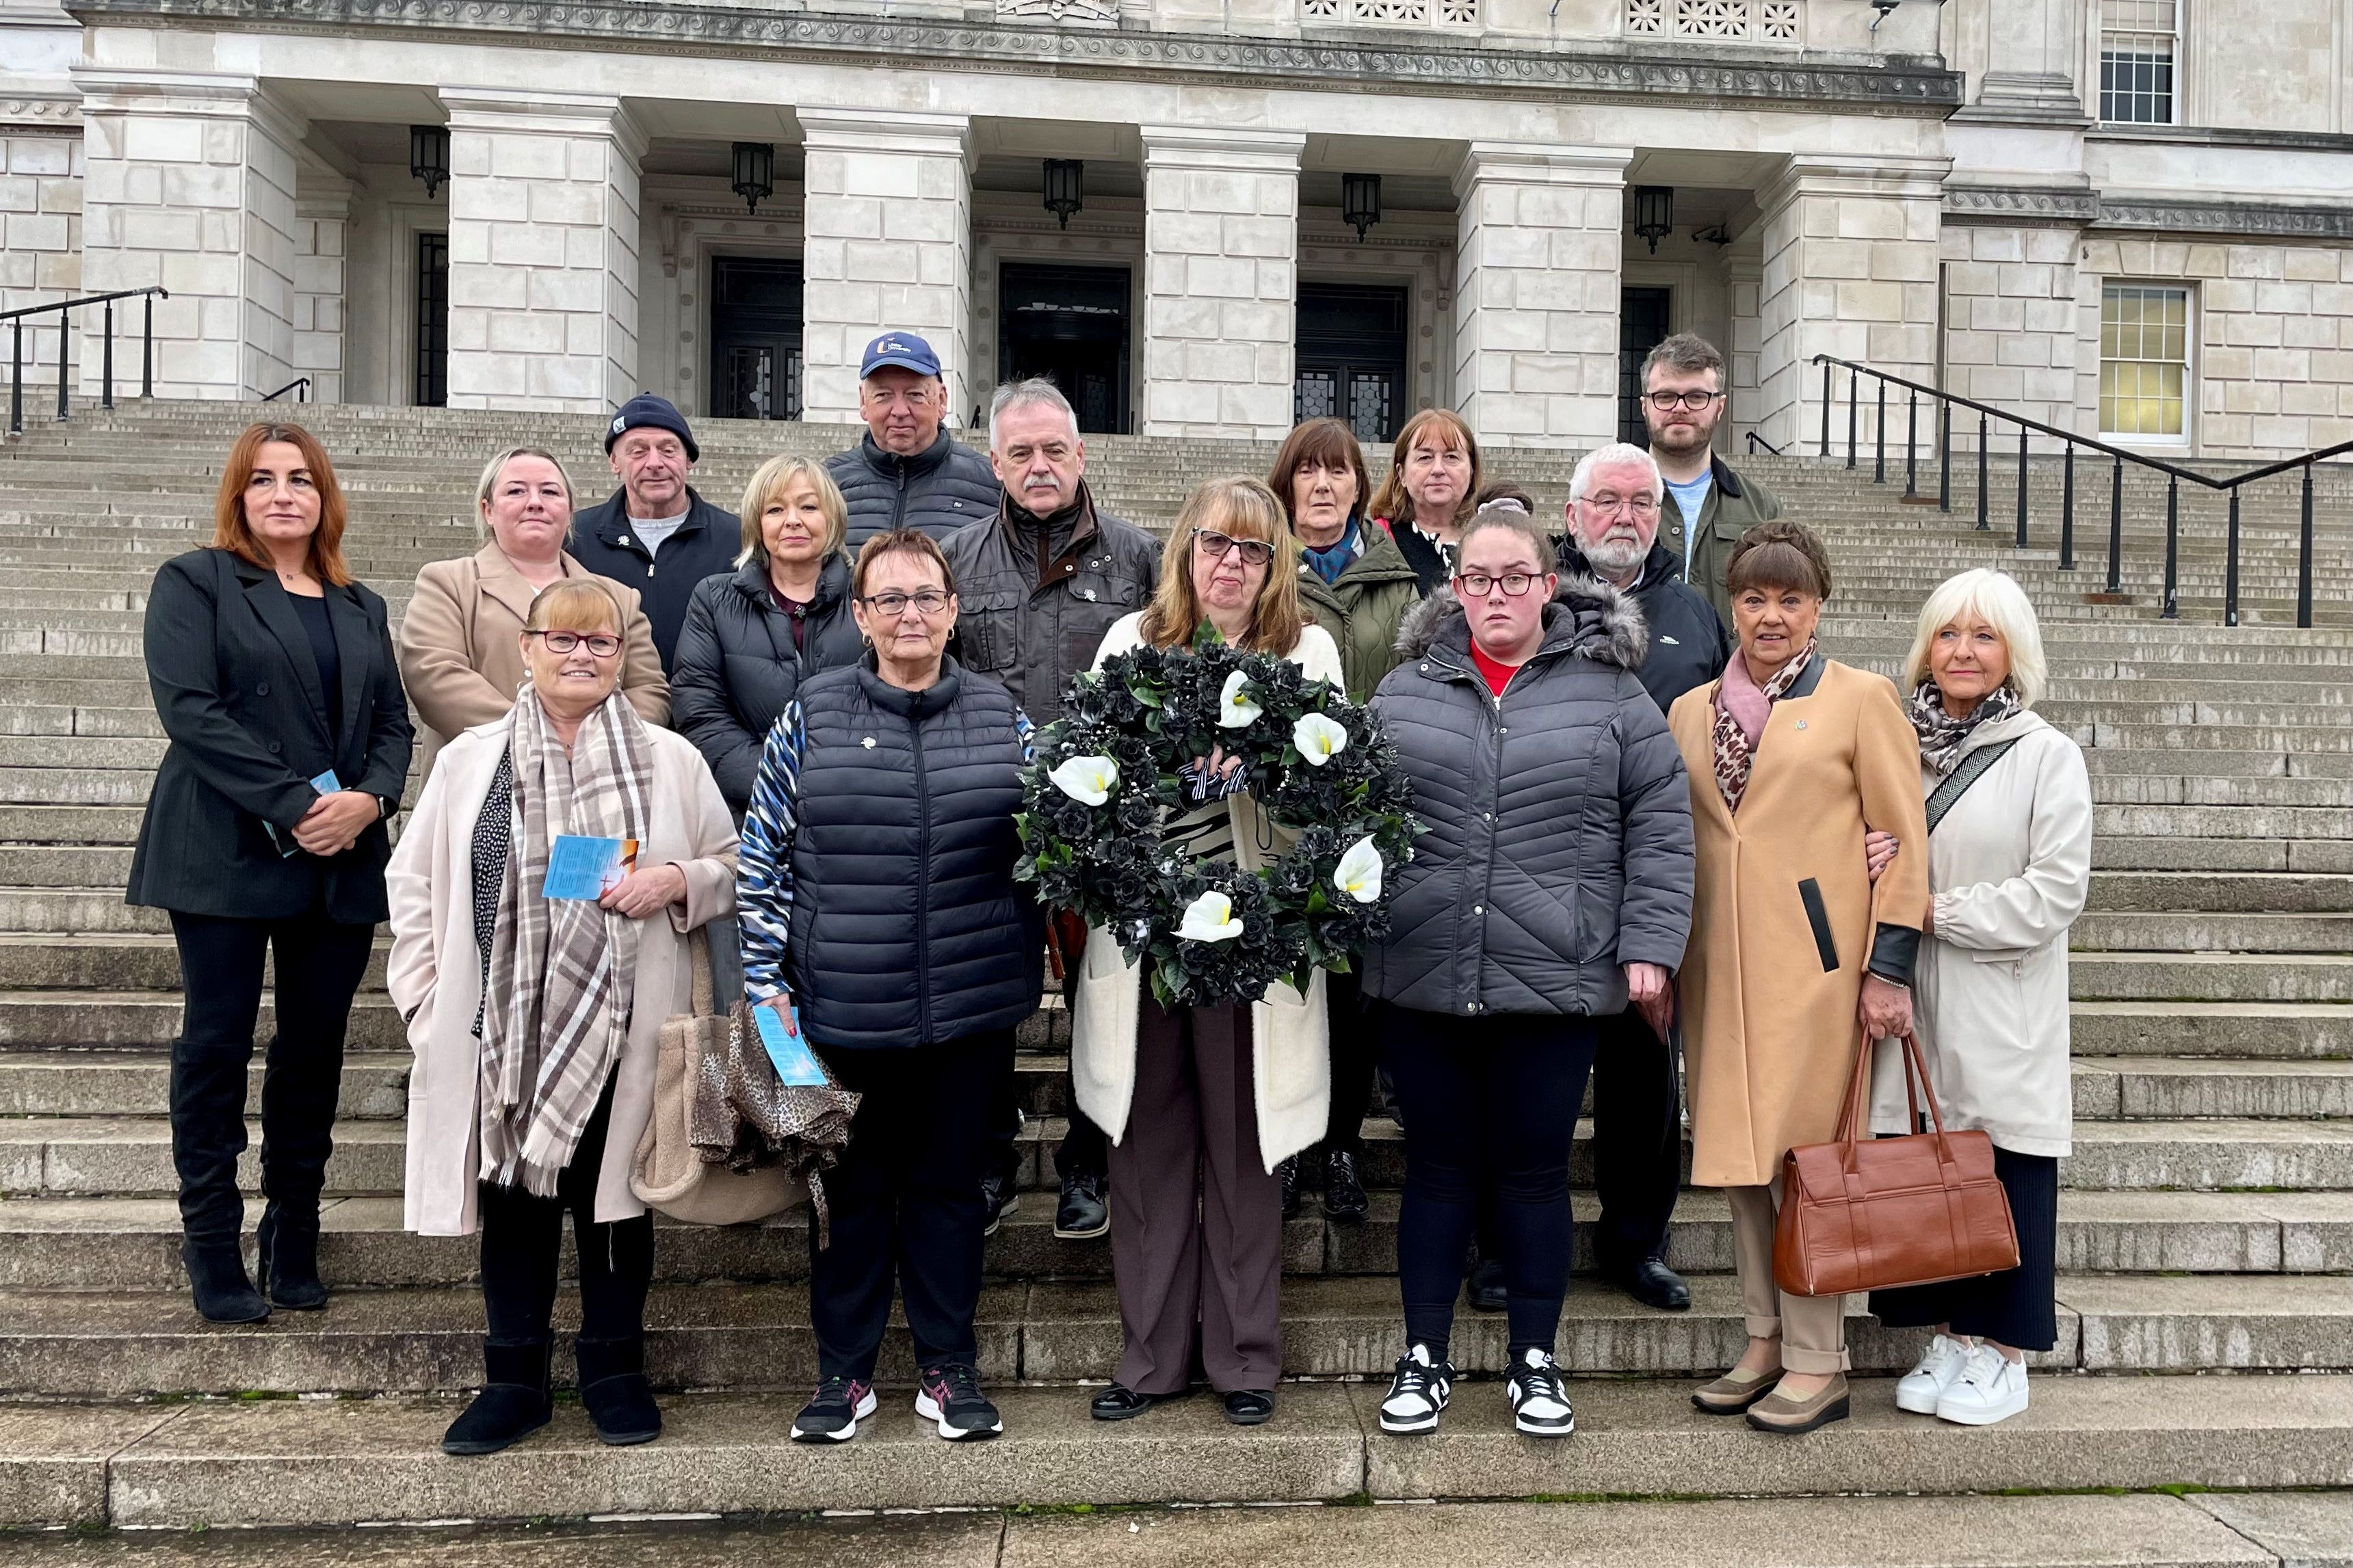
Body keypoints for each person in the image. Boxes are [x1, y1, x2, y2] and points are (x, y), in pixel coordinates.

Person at [1363, 503, 1694, 1439]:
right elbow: (1354, 815)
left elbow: (1663, 831)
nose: (1497, 594)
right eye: (1479, 578)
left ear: (1552, 586)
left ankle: (1533, 1359)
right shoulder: (1404, 690)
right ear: (1454, 587)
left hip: (1555, 979)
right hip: (1423, 972)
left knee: (1535, 1175)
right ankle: (1423, 1355)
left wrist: (1649, 946)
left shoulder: (1614, 695)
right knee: (1435, 1173)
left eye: (1517, 577)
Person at [387, 579, 739, 1458]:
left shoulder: (670, 757)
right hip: (504, 1028)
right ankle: (513, 1381)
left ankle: (614, 1371)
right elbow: (416, 883)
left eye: (602, 643)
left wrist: (677, 881)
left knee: (614, 1204)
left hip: (629, 1020)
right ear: (528, 648)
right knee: (515, 1200)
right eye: (563, 640)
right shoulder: (472, 758)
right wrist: (427, 999)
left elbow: (730, 861)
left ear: (622, 658)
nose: (582, 656)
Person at [739, 530, 1043, 1446]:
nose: (911, 613)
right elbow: (762, 852)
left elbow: (1051, 843)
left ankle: (949, 1370)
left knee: (952, 1193)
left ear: (954, 611)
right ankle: (846, 1374)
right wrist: (763, 978)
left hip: (970, 1004)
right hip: (841, 1006)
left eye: (928, 597)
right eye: (891, 599)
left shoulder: (1004, 716)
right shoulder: (813, 714)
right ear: (861, 615)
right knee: (852, 1196)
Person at [1072, 477, 1345, 1429]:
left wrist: (1264, 758)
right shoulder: (1130, 644)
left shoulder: (1306, 650)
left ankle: (1243, 1357)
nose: (1231, 564)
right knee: (1148, 1149)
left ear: (1276, 565)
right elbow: (1087, 784)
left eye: (1253, 550)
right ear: (1185, 551)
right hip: (1147, 938)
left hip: (1252, 939)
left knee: (1244, 1149)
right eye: (1215, 546)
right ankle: (1148, 1359)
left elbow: (1335, 785)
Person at [129, 421, 414, 1325]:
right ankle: (211, 1237)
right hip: (226, 843)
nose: (284, 493)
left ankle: (294, 1228)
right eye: (264, 480)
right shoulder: (197, 581)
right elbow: (192, 710)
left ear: (325, 497)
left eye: (301, 479)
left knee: (313, 1048)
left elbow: (393, 727)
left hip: (341, 855)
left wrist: (369, 800)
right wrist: (298, 802)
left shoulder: (359, 602)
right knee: (215, 1044)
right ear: (239, 496)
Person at [1668, 520, 1929, 1436]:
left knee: (1811, 1166)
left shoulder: (1862, 700)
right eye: (1754, 597)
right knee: (1741, 1164)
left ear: (1818, 609)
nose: (1771, 615)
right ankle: (1763, 1339)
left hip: (1819, 973)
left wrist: (1887, 968)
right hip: (1719, 975)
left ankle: (1822, 1359)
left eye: (1791, 599)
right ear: (1730, 604)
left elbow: (1906, 840)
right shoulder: (1691, 710)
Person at [1867, 569, 2091, 1428]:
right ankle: (1955, 1336)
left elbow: (2054, 891)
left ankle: (2003, 1352)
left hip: (2000, 999)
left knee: (2004, 1168)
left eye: (1983, 636)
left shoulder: (2045, 754)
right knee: (1931, 1168)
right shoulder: (1900, 746)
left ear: (2013, 654)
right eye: (1949, 633)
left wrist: (1932, 909)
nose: (1962, 651)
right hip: (1915, 1000)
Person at [943, 377, 1160, 1244]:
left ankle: (1086, 1160)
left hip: (1105, 834)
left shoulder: (1141, 558)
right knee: (993, 1003)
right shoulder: (954, 560)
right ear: (994, 462)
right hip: (989, 825)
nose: (1039, 466)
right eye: (1020, 453)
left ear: (1082, 454)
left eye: (1054, 450)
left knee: (1099, 998)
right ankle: (992, 1160)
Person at [1554, 440, 1733, 1314]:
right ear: (1571, 513)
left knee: (1642, 1074)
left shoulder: (1693, 614)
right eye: (1606, 500)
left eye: (1640, 501)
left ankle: (1638, 1239)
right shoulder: (1530, 596)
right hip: (1541, 878)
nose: (1623, 516)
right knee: (1536, 1082)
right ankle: (1522, 1242)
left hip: (1651, 877)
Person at [1266, 416, 1421, 1225]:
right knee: (1296, 991)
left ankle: (1342, 1147)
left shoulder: (1396, 579)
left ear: (1361, 486)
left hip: (1366, 818)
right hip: (1283, 820)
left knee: (1353, 993)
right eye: (1306, 472)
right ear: (1285, 484)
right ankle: (1292, 1146)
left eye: (1337, 472)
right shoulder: (1262, 570)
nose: (1321, 486)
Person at [399, 447, 668, 779]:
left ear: (570, 512)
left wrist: (598, 745)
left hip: (599, 777)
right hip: (484, 777)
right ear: (488, 510)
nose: (535, 502)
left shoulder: (619, 598)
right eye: (516, 491)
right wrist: (545, 742)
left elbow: (649, 690)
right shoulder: (449, 583)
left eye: (550, 492)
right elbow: (435, 676)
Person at [670, 456, 865, 814]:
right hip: (748, 812)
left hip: (853, 807)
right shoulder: (714, 599)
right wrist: (774, 782)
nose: (793, 520)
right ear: (757, 524)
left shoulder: (868, 597)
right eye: (775, 509)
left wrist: (835, 782)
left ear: (832, 519)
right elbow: (700, 710)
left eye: (809, 506)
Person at [569, 395, 742, 672]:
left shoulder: (737, 539)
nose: (655, 463)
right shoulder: (575, 538)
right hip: (606, 707)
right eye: (638, 451)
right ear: (615, 462)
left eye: (668, 450)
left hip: (706, 709)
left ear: (689, 460)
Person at [1639, 334, 1782, 626]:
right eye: (1665, 396)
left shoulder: (1761, 508)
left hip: (1732, 671)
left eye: (1696, 397)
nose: (1680, 408)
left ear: (1719, 406)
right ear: (1645, 406)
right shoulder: (1604, 500)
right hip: (1631, 671)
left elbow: (1788, 601)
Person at [824, 332, 1001, 548]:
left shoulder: (992, 486)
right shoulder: (825, 485)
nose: (900, 411)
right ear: (863, 402)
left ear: (942, 400)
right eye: (883, 395)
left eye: (915, 395)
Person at [1367, 408, 1482, 596]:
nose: (1438, 469)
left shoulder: (1493, 537)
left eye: (1451, 457)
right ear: (1401, 473)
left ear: (1472, 470)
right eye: (1425, 458)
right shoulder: (1374, 541)